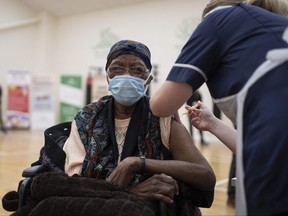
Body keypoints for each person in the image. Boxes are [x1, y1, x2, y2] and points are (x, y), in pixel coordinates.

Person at [150, 0, 288, 215]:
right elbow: (253, 145)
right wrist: (213, 123)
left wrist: (153, 96)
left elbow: (161, 105)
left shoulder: (220, 17)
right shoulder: (275, 34)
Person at [63, 40, 216, 215]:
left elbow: (205, 176)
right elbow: (74, 182)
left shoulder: (162, 117)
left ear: (148, 78)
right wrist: (129, 193)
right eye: (117, 68)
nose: (127, 75)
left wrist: (138, 163)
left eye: (137, 70)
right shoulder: (86, 118)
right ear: (107, 75)